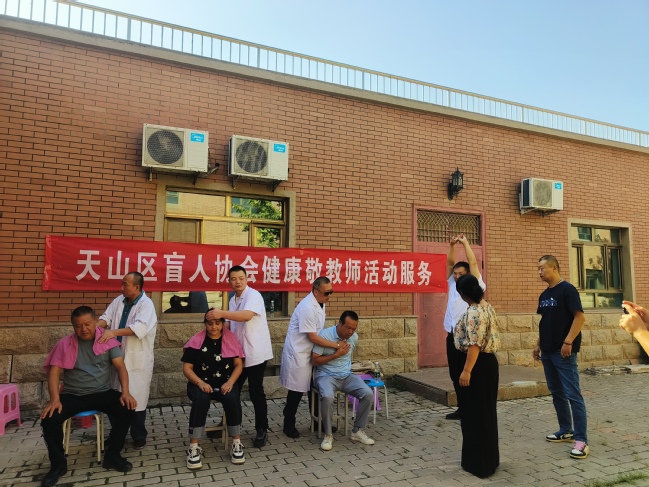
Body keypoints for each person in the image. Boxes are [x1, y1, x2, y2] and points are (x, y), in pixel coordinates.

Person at [40, 306, 137, 487]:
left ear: (95, 322)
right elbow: (54, 372)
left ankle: (113, 456)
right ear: (73, 326)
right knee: (49, 419)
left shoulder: (106, 340)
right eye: (78, 326)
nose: (83, 329)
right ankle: (58, 466)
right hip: (72, 394)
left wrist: (125, 392)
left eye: (87, 324)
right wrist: (54, 399)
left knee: (127, 408)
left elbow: (120, 367)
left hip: (101, 392)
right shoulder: (65, 344)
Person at [205, 266, 273, 448]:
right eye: (234, 279)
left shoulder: (253, 295)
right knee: (231, 389)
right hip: (238, 354)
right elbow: (230, 324)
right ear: (229, 281)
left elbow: (246, 316)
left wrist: (222, 313)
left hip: (256, 353)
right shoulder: (233, 299)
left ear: (247, 278)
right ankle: (228, 424)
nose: (238, 282)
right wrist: (215, 326)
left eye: (241, 278)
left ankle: (262, 428)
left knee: (256, 392)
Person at [533, 255, 589, 459]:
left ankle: (581, 440)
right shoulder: (544, 295)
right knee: (557, 392)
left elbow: (579, 317)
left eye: (542, 268)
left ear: (554, 268)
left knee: (573, 395)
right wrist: (538, 345)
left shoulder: (567, 290)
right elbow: (545, 322)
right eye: (538, 269)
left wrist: (568, 342)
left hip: (563, 351)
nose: (539, 272)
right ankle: (566, 430)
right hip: (547, 351)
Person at [280, 277, 349, 438]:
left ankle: (317, 421)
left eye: (331, 292)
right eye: (327, 293)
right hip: (299, 353)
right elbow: (312, 336)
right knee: (296, 391)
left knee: (314, 388)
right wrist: (336, 345)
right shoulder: (307, 307)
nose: (329, 295)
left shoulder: (320, 302)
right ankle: (288, 424)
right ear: (316, 292)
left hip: (310, 352)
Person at [97, 271, 158, 450]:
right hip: (117, 357)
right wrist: (95, 326)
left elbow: (138, 328)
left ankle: (138, 435)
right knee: (116, 397)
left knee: (136, 397)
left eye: (125, 284)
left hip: (136, 359)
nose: (121, 287)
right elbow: (106, 318)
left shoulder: (147, 305)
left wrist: (113, 333)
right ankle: (117, 434)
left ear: (136, 287)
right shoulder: (119, 301)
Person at [182, 310, 246, 468]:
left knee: (232, 398)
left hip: (225, 382)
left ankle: (236, 443)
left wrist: (230, 382)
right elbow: (187, 368)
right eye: (210, 323)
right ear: (205, 324)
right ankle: (193, 447)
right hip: (200, 384)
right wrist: (200, 383)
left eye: (218, 323)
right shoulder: (196, 341)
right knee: (201, 400)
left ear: (223, 323)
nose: (214, 327)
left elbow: (238, 365)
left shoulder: (231, 339)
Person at [453, 274, 500, 478]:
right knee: (486, 412)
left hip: (476, 365)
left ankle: (479, 463)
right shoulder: (486, 306)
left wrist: (466, 371)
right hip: (488, 364)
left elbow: (475, 344)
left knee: (474, 414)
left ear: (463, 293)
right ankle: (490, 459)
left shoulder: (473, 312)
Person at [312, 311, 375, 451]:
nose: (350, 332)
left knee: (367, 393)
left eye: (354, 329)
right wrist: (336, 355)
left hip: (346, 375)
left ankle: (357, 431)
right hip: (325, 375)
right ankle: (328, 435)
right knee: (328, 396)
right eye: (348, 328)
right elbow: (314, 361)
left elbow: (346, 359)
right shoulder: (325, 336)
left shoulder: (354, 338)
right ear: (339, 323)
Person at [443, 234, 485, 420]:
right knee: (454, 373)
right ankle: (462, 408)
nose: (457, 276)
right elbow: (449, 263)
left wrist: (466, 243)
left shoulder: (474, 284)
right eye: (455, 273)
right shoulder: (453, 283)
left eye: (461, 274)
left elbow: (473, 263)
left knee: (468, 372)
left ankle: (472, 408)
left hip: (468, 338)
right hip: (451, 334)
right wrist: (452, 246)